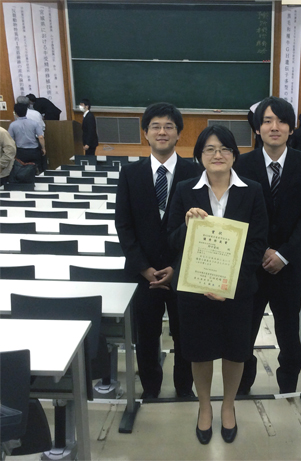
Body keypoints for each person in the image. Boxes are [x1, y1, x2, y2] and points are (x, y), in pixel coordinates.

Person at [167, 125, 268, 444]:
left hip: (237, 290)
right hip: (195, 290)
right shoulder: (184, 189)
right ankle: (204, 406)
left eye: (224, 149)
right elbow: (171, 240)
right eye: (209, 149)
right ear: (199, 155)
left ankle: (228, 405)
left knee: (236, 352)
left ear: (235, 156)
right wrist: (187, 226)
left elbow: (258, 243)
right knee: (199, 352)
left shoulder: (252, 190)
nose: (217, 155)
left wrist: (229, 284)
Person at [234, 96, 301, 394]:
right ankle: (242, 388)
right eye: (268, 121)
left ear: (291, 128)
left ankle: (288, 390)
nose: (275, 127)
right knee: (244, 333)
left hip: (290, 264)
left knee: (289, 334)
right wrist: (261, 252)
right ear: (257, 128)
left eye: (282, 121)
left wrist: (283, 253)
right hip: (250, 266)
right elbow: (237, 214)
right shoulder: (241, 164)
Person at [115, 102, 199, 399]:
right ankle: (150, 389)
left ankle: (184, 388)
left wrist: (177, 267)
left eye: (168, 127)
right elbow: (124, 225)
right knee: (146, 336)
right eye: (155, 127)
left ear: (178, 134)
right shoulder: (130, 173)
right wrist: (143, 267)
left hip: (183, 271)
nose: (162, 132)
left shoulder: (195, 172)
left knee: (186, 333)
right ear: (146, 133)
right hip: (143, 273)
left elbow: (200, 227)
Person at [8, 103, 46, 173]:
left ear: (15, 113)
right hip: (34, 150)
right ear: (26, 111)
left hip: (21, 151)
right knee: (38, 169)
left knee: (23, 171)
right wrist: (43, 148)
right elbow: (40, 137)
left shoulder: (12, 125)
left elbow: (10, 140)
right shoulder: (34, 123)